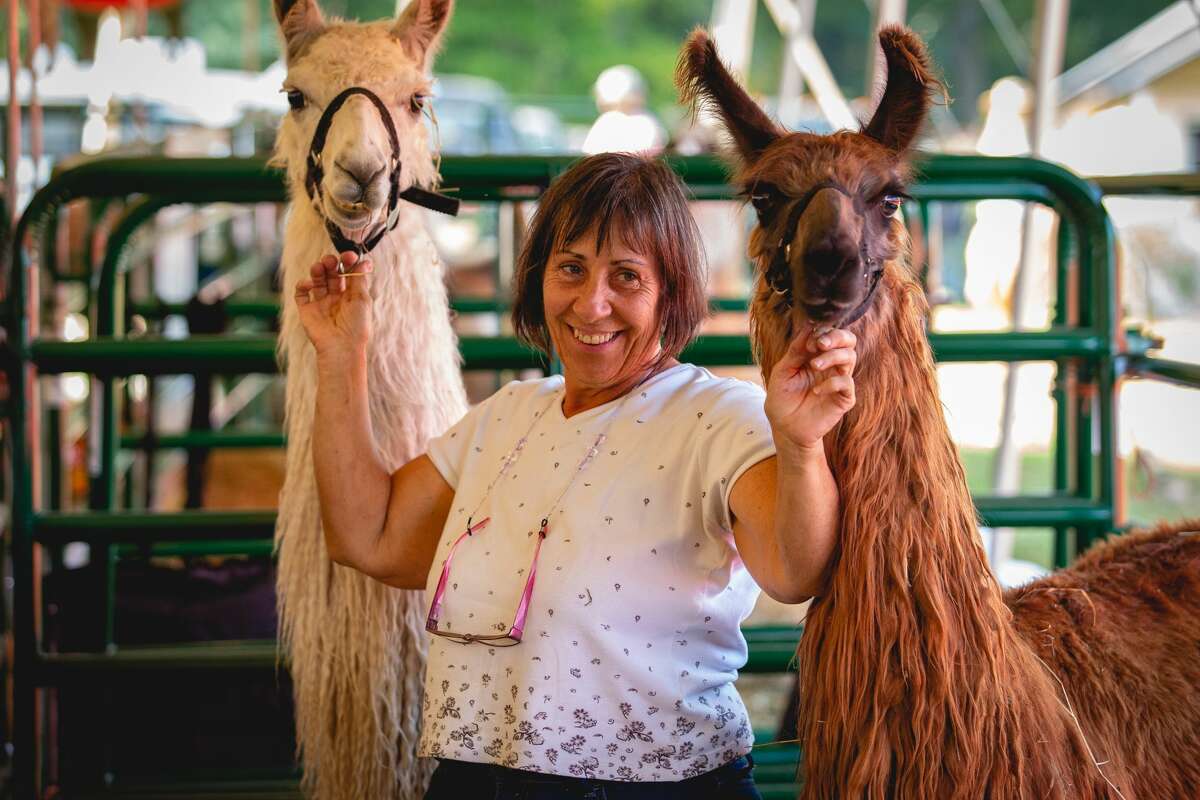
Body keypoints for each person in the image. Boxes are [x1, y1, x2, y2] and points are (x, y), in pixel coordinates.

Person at [293, 153, 855, 799]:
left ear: (670, 293)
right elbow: (368, 537)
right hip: (478, 780)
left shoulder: (718, 418)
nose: (593, 303)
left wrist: (801, 444)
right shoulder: (507, 417)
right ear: (539, 279)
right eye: (571, 269)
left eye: (626, 277)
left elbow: (795, 569)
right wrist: (341, 357)